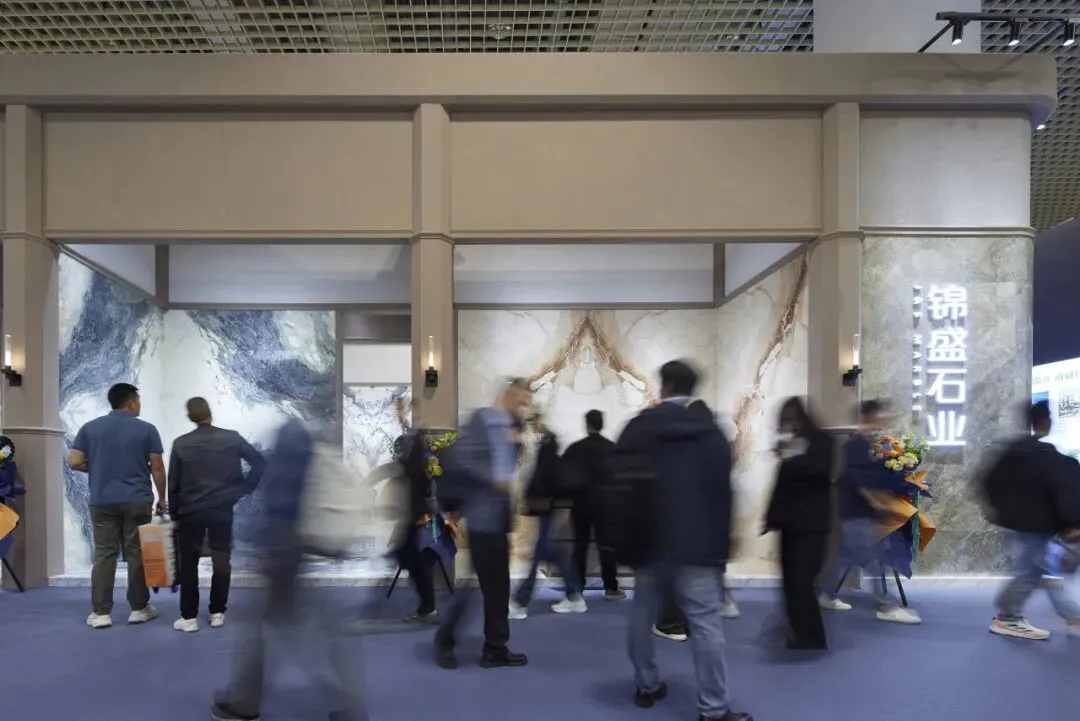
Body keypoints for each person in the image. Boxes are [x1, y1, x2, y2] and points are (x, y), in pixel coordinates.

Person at [617, 361, 752, 721]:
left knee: (641, 619)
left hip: (649, 543)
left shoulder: (638, 428)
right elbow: (722, 491)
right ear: (693, 390)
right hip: (698, 543)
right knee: (706, 626)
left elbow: (620, 489)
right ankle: (713, 709)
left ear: (664, 387)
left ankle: (647, 685)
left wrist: (625, 541)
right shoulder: (711, 432)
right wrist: (725, 540)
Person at [211, 419, 366, 721]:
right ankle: (353, 707)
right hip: (300, 547)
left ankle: (244, 705)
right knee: (312, 628)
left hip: (284, 548)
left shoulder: (290, 436)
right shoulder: (313, 436)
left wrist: (271, 548)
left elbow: (283, 497)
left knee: (266, 627)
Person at [434, 378, 533, 670]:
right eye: (520, 399)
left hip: (497, 519)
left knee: (497, 587)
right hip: (481, 517)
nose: (522, 406)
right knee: (479, 588)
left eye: (526, 402)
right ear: (507, 395)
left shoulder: (510, 428)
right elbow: (460, 458)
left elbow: (509, 465)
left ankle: (495, 649)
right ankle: (446, 640)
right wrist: (492, 479)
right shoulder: (483, 419)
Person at [68, 382, 166, 629]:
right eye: (139, 401)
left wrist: (99, 468)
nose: (140, 405)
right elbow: (157, 467)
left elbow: (74, 461)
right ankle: (139, 609)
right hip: (137, 499)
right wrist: (162, 498)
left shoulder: (90, 428)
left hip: (102, 500)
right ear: (131, 403)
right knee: (136, 553)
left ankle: (101, 613)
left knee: (104, 554)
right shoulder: (147, 429)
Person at [982, 400, 1080, 640]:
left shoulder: (1010, 454)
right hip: (1040, 527)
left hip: (1018, 525)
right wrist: (1072, 524)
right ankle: (1007, 617)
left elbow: (988, 483)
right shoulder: (1052, 459)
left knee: (1041, 570)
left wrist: (1003, 512)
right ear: (1046, 422)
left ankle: (1073, 617)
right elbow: (1064, 492)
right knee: (1032, 571)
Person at [819, 399, 922, 625]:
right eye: (882, 412)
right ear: (872, 415)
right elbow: (856, 480)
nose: (887, 416)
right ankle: (886, 607)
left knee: (845, 557)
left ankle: (826, 595)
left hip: (858, 513)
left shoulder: (869, 444)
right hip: (857, 512)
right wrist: (876, 501)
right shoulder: (857, 445)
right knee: (877, 559)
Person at [169, 397, 266, 633]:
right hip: (222, 510)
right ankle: (217, 613)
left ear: (190, 417)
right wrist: (242, 490)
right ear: (209, 413)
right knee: (221, 561)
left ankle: (189, 618)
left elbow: (173, 484)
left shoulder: (181, 443)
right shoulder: (232, 438)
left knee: (188, 564)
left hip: (190, 512)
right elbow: (259, 462)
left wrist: (175, 515)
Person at [652, 399, 739, 645]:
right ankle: (718, 604)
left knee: (674, 580)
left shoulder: (676, 446)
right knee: (707, 617)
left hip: (680, 530)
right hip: (710, 534)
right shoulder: (717, 444)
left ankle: (672, 623)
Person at [763, 397, 835, 650]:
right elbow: (781, 485)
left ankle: (813, 636)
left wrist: (795, 456)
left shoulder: (823, 441)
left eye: (790, 419)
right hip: (789, 524)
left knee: (803, 581)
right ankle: (799, 632)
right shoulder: (788, 444)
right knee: (789, 582)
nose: (787, 424)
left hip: (812, 525)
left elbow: (821, 471)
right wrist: (770, 517)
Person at [510, 415, 586, 618]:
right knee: (552, 554)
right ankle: (573, 595)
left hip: (547, 510)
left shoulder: (547, 451)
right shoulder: (548, 450)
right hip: (548, 510)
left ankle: (520, 602)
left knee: (541, 556)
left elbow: (540, 479)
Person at [561, 409, 624, 600]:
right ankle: (611, 587)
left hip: (581, 503)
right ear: (602, 425)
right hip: (606, 504)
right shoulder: (612, 448)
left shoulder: (575, 448)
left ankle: (577, 586)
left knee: (579, 546)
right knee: (607, 546)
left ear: (587, 425)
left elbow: (563, 474)